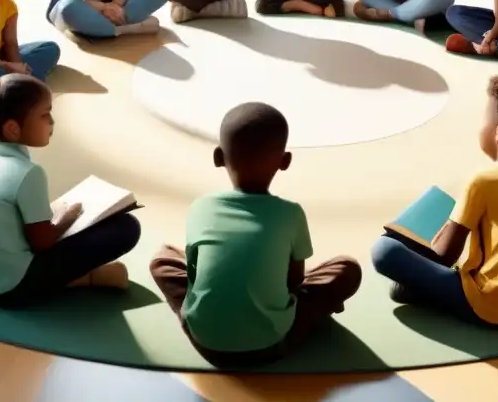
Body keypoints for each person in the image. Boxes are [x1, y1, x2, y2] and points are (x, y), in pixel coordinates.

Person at [149, 102, 362, 367]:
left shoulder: (201, 207)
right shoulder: (291, 213)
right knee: (346, 268)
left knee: (162, 261)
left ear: (218, 156)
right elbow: (294, 283)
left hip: (205, 341)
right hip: (270, 344)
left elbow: (193, 275)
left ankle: (211, 310)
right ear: (285, 162)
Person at [371, 75, 498, 327]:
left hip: (492, 305)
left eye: (484, 119)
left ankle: (430, 293)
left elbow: (445, 255)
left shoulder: (484, 179)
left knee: (384, 251)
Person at [0, 74, 142, 306]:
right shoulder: (28, 173)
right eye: (45, 115)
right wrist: (64, 219)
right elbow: (42, 243)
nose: (52, 122)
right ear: (13, 129)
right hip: (10, 288)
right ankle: (85, 279)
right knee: (126, 228)